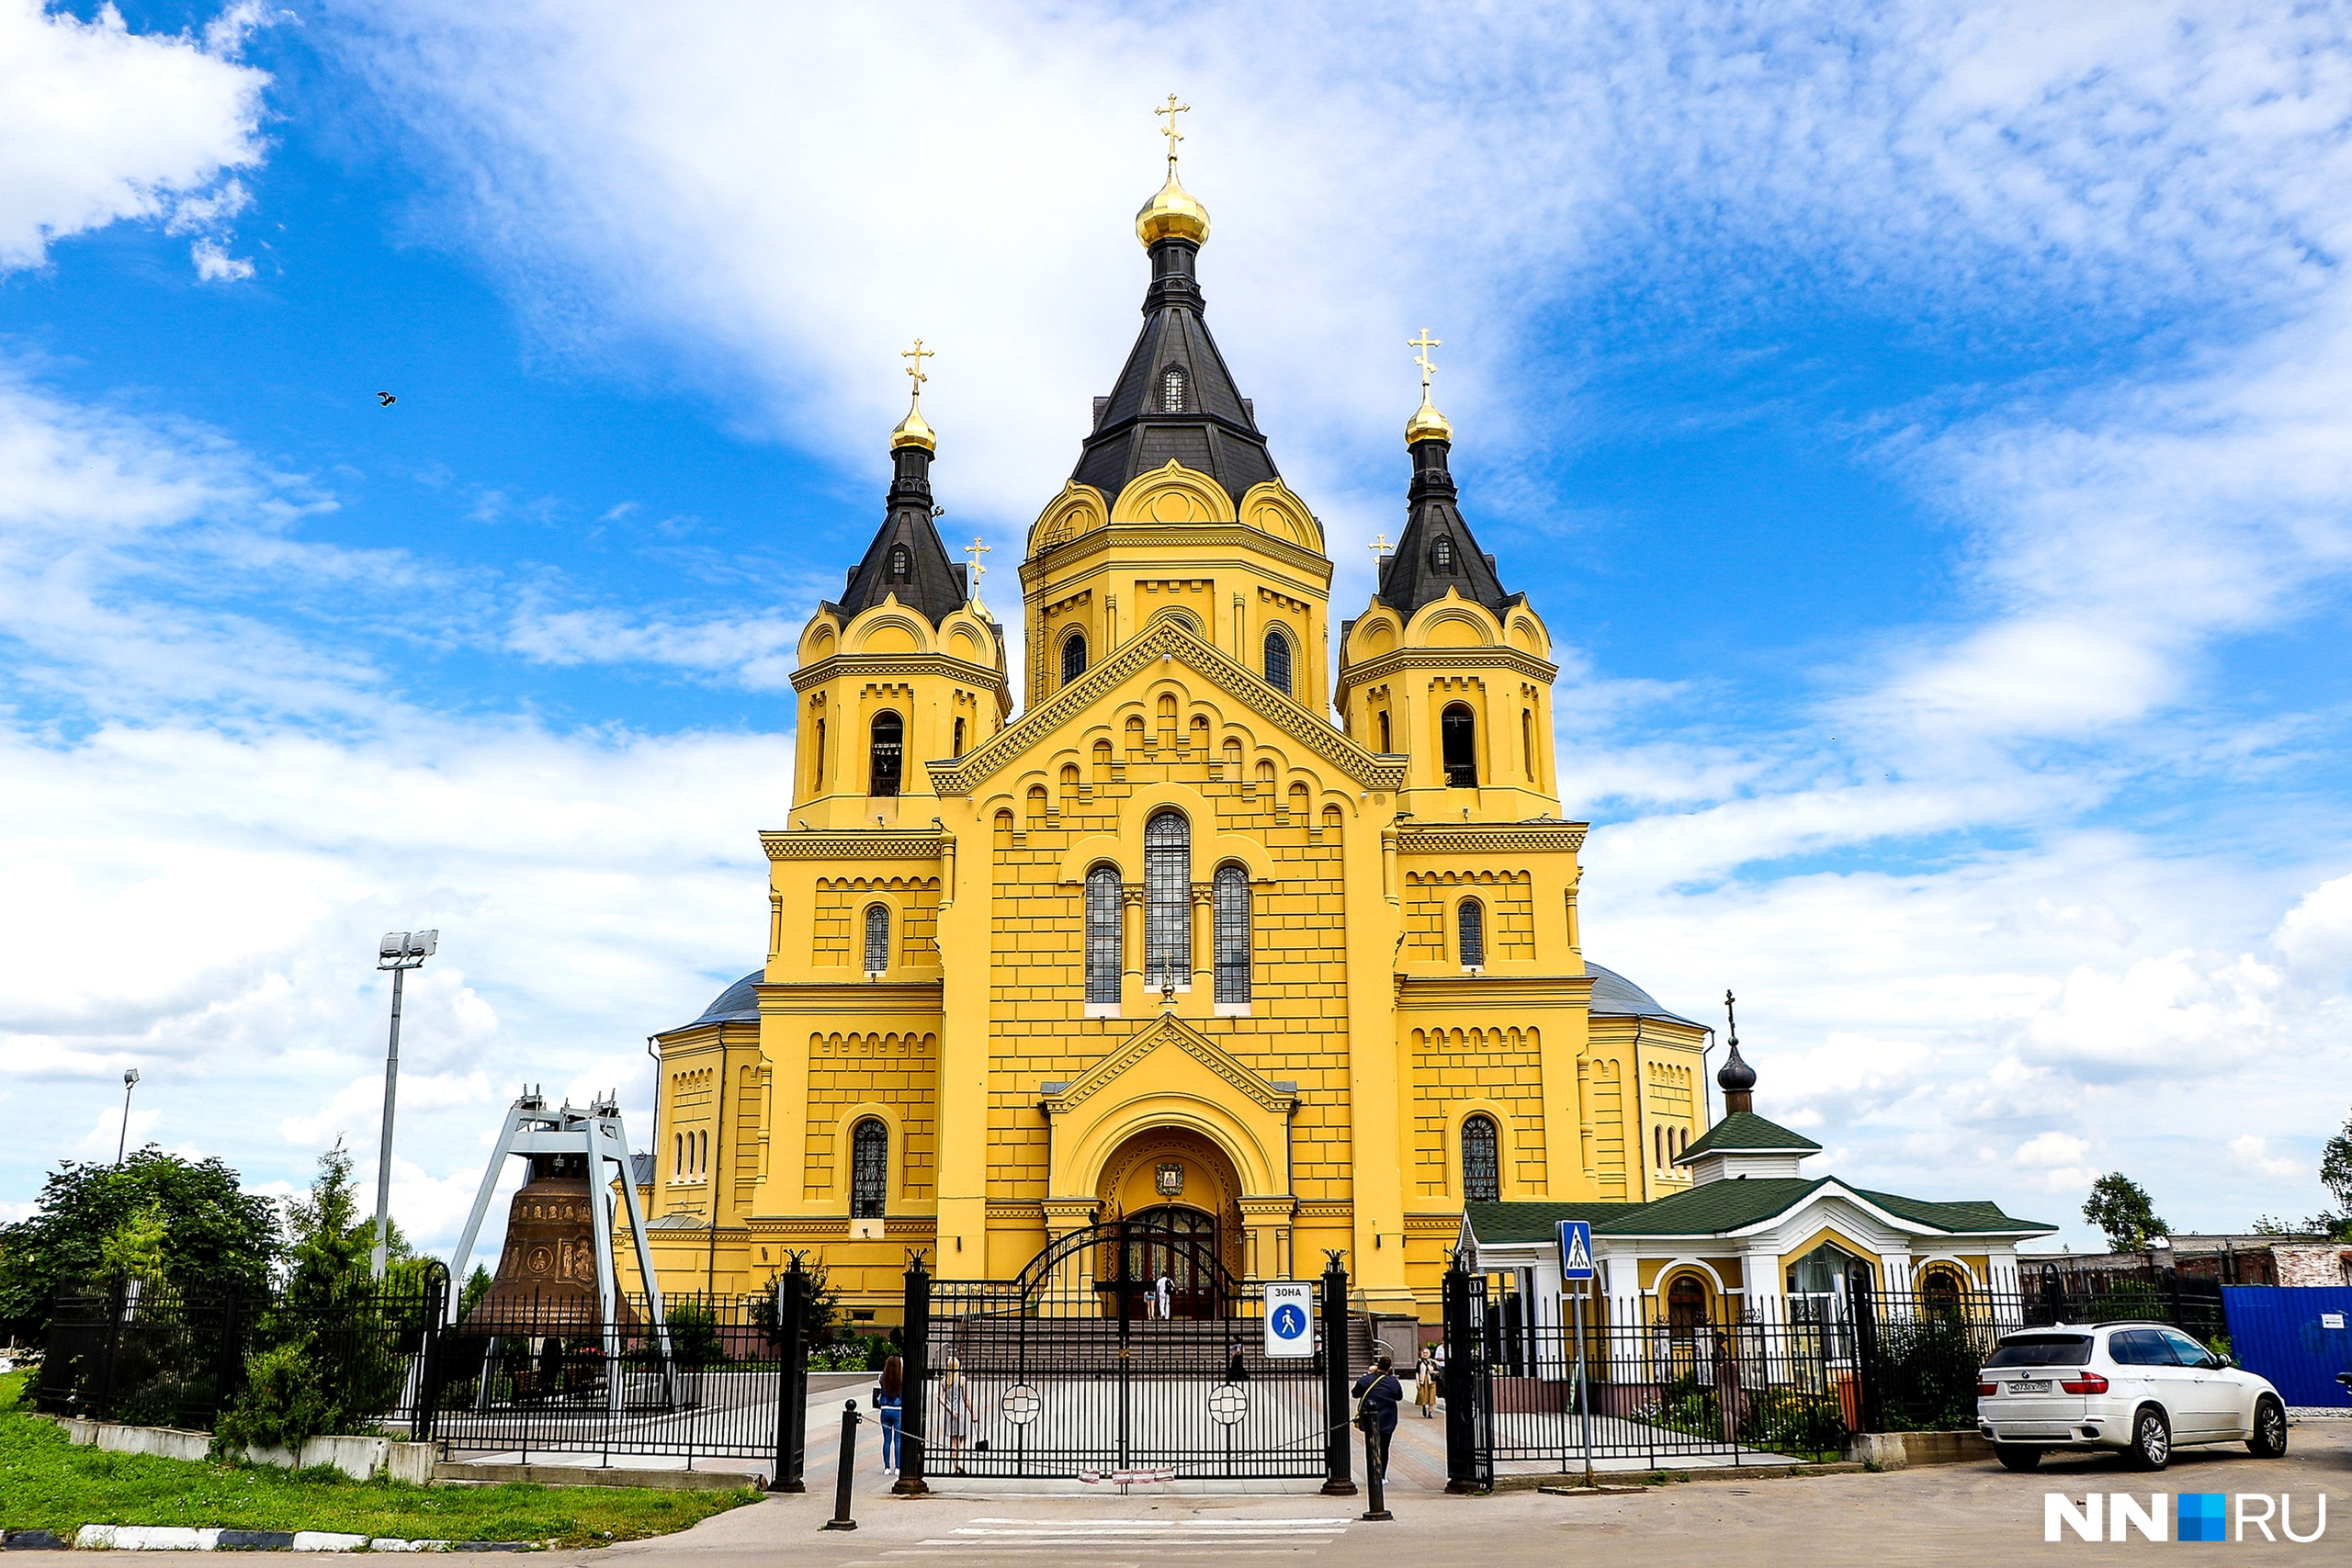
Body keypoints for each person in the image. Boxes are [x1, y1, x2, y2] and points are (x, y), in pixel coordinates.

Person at [1351, 1349, 1404, 1483]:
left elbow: (1355, 1393)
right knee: (1384, 1448)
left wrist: (1370, 1375)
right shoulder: (1393, 1382)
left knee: (1372, 1446)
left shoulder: (1366, 1380)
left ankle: (1372, 1473)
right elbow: (1399, 1397)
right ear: (1389, 1369)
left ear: (1377, 1366)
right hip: (1388, 1419)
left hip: (1369, 1419)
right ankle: (1382, 1476)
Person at [939, 1355, 977, 1474]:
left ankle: (955, 1467)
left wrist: (949, 1409)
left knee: (953, 1440)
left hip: (950, 1413)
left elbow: (940, 1398)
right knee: (963, 1439)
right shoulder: (962, 1380)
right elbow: (966, 1399)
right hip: (961, 1411)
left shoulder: (944, 1381)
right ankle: (960, 1462)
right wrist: (973, 1413)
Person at [875, 1356, 903, 1474]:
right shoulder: (901, 1378)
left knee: (887, 1440)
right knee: (898, 1439)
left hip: (885, 1409)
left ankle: (887, 1467)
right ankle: (898, 1467)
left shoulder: (882, 1378)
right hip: (898, 1409)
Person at [1414, 1345, 1439, 1417]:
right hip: (1423, 1380)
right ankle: (1424, 1406)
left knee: (1432, 1396)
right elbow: (1417, 1372)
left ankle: (1430, 1412)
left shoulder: (1433, 1362)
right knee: (1423, 1396)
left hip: (1431, 1380)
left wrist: (1433, 1372)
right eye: (1424, 1353)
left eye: (1426, 1353)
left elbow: (1438, 1371)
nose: (1425, 1354)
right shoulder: (1419, 1362)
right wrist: (1417, 1382)